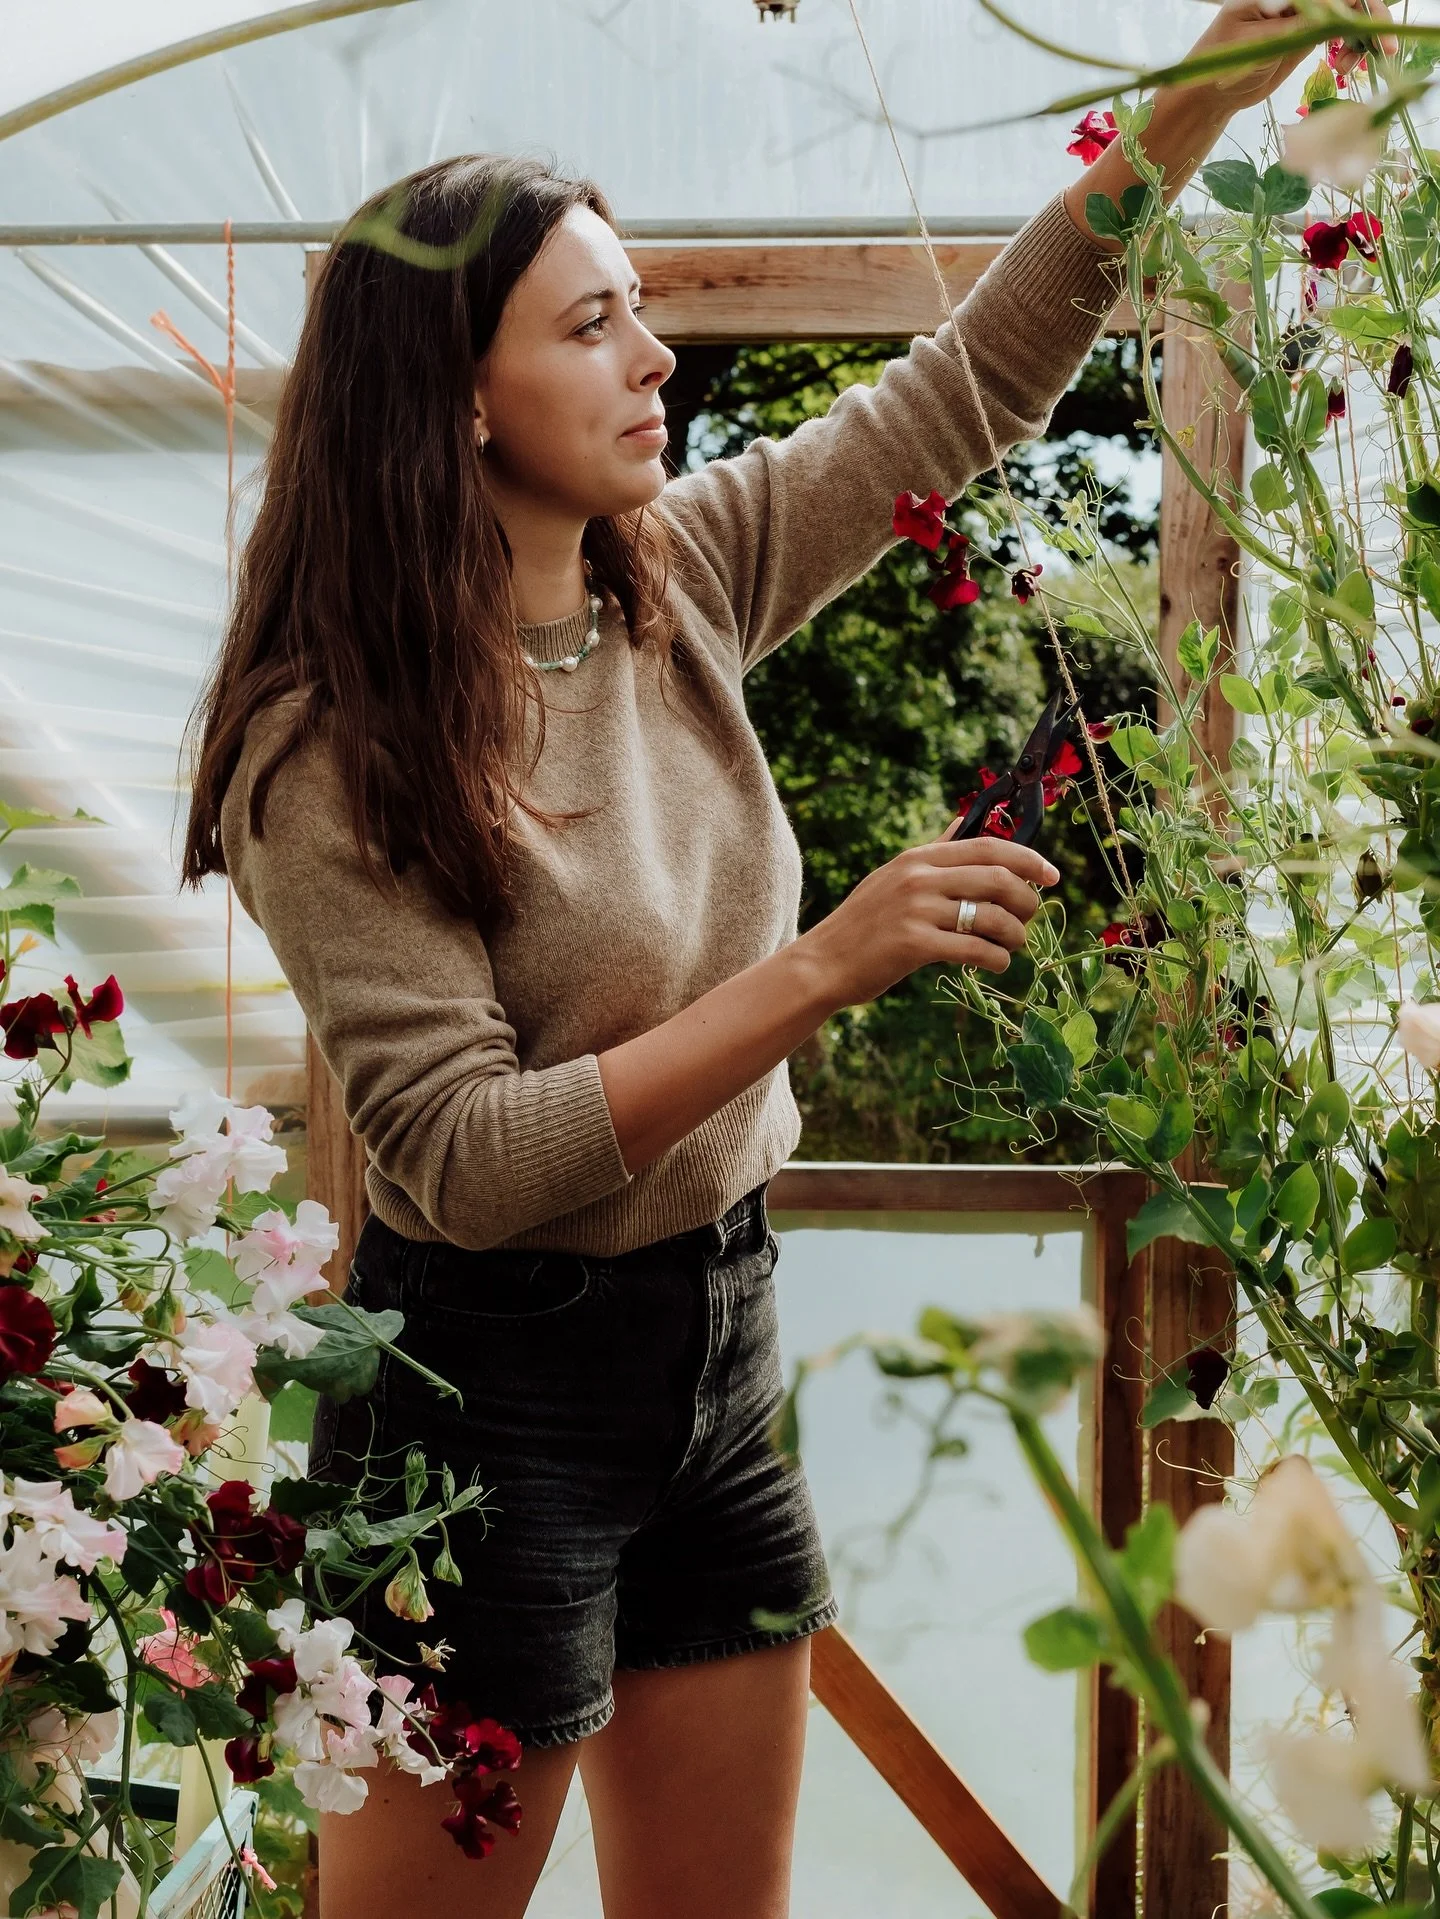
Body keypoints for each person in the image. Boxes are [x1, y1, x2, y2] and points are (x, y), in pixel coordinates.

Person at [180, 5, 1393, 1913]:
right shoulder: (327, 741)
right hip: (481, 1415)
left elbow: (972, 383)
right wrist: (822, 969)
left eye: (639, 303)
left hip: (718, 1345)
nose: (658, 356)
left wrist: (1198, 102)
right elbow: (467, 1161)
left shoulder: (681, 573)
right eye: (592, 325)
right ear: (456, 394)